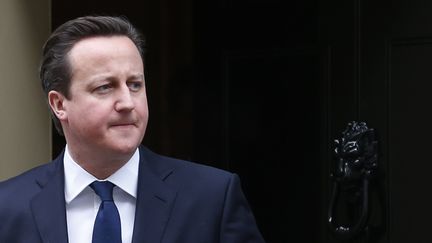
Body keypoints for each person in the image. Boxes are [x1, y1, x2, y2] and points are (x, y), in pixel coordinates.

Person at [0, 15, 265, 243]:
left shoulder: (212, 198)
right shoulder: (8, 207)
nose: (127, 102)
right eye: (105, 87)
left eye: (135, 84)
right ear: (59, 104)